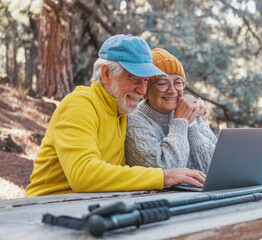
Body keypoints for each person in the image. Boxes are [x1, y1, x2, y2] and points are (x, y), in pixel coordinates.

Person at [25, 35, 205, 197]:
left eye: (146, 81)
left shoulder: (122, 110)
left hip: (93, 205)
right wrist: (161, 176)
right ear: (106, 74)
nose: (142, 90)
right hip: (46, 207)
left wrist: (190, 113)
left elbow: (155, 107)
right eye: (134, 78)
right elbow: (83, 175)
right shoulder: (79, 104)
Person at [126, 48, 217, 174]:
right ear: (146, 90)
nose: (173, 91)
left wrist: (190, 125)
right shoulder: (134, 121)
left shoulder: (192, 110)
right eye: (162, 83)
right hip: (158, 194)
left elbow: (214, 168)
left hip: (198, 192)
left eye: (178, 82)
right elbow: (167, 172)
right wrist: (180, 121)